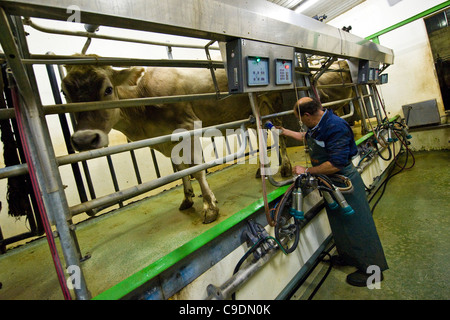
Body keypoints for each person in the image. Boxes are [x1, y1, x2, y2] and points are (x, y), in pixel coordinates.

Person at [279, 96, 388, 287]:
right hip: (329, 183)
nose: (301, 123)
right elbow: (308, 137)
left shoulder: (335, 126)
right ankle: (349, 257)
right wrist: (284, 131)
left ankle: (373, 271)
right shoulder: (319, 123)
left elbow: (336, 164)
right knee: (339, 224)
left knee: (358, 225)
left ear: (307, 115)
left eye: (300, 119)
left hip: (343, 181)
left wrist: (306, 170)